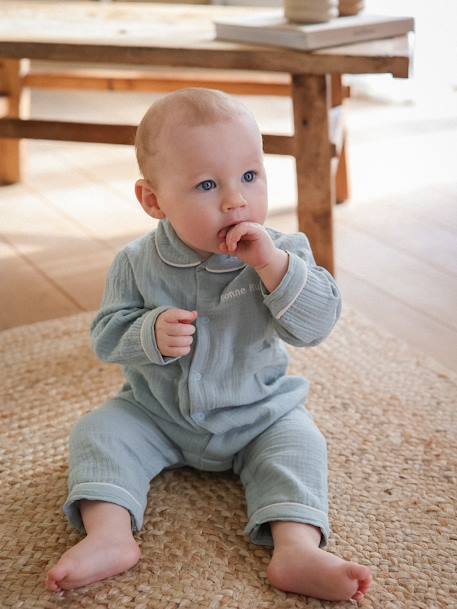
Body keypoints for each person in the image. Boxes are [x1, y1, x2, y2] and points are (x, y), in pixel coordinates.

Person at [45, 88, 372, 601]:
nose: (236, 200)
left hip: (259, 414)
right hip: (158, 414)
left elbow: (316, 326)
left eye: (250, 176)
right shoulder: (135, 263)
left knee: (301, 445)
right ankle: (109, 535)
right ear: (154, 201)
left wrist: (273, 268)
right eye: (206, 184)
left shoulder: (285, 252)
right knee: (98, 431)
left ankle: (296, 548)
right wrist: (146, 333)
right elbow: (106, 338)